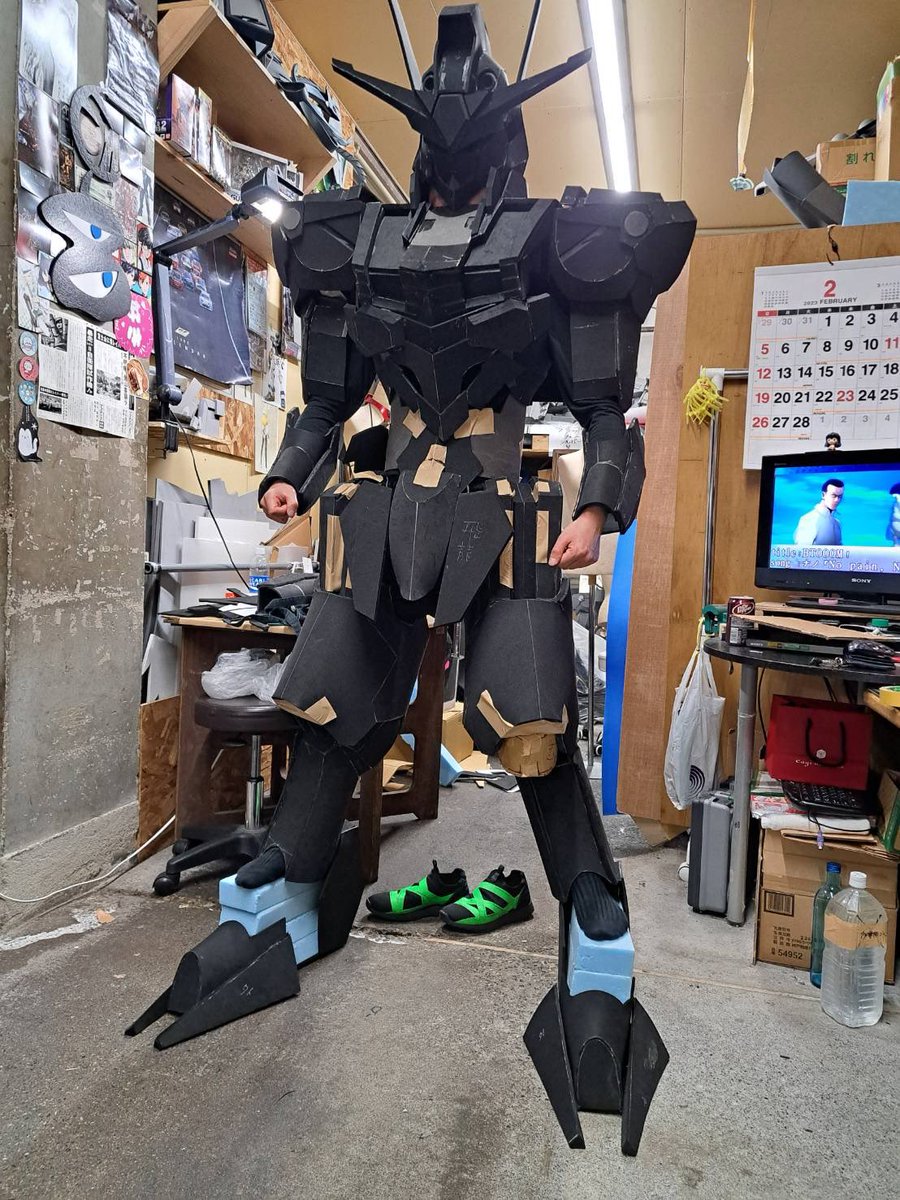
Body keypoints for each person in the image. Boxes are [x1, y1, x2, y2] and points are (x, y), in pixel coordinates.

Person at [133, 2, 695, 1156]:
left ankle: (595, 946)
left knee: (527, 729)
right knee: (331, 709)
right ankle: (278, 896)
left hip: (502, 509)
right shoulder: (355, 241)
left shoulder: (560, 240)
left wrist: (598, 505)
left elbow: (604, 411)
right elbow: (327, 404)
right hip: (384, 510)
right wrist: (288, 475)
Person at [794, 478, 844, 545]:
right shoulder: (809, 519)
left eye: (840, 496)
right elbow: (802, 549)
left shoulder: (837, 523)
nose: (837, 500)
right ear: (823, 495)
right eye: (833, 495)